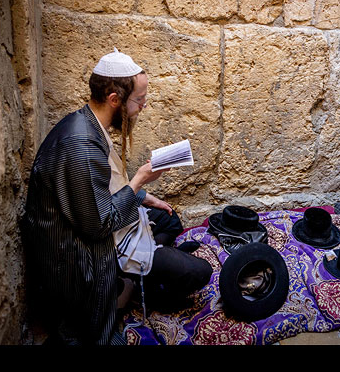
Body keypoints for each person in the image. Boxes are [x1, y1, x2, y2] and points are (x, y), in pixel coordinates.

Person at [24, 48, 212, 345]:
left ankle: (144, 268)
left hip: (92, 225)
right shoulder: (82, 144)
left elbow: (101, 189)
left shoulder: (87, 122)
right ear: (115, 100)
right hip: (78, 256)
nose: (143, 106)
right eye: (139, 100)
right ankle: (133, 283)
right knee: (200, 272)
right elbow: (99, 224)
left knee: (168, 220)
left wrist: (144, 196)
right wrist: (139, 180)